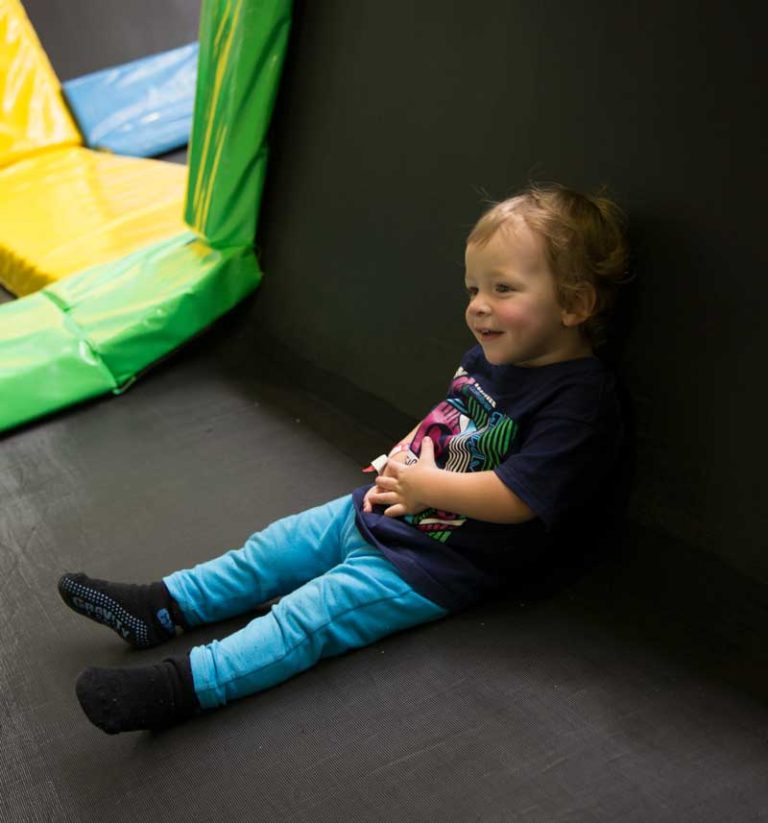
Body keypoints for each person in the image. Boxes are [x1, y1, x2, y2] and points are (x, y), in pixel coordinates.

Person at [58, 182, 630, 734]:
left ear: (574, 304)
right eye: (472, 290)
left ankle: (180, 687)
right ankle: (162, 606)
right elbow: (450, 411)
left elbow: (518, 499)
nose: (478, 308)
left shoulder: (578, 401)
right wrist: (404, 454)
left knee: (307, 618)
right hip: (384, 506)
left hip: (432, 565)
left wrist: (425, 487)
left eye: (502, 289)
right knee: (268, 551)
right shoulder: (494, 355)